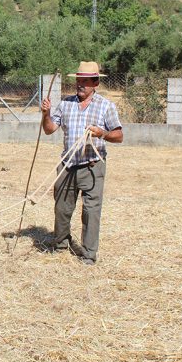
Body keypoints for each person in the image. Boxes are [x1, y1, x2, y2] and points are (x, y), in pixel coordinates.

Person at [41, 61, 123, 265]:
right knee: (61, 208)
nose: (81, 85)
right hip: (67, 165)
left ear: (95, 82)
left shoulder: (106, 106)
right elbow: (50, 129)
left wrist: (101, 133)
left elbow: (119, 135)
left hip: (92, 166)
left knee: (91, 211)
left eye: (85, 81)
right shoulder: (65, 104)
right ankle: (61, 243)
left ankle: (88, 253)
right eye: (79, 80)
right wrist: (46, 114)